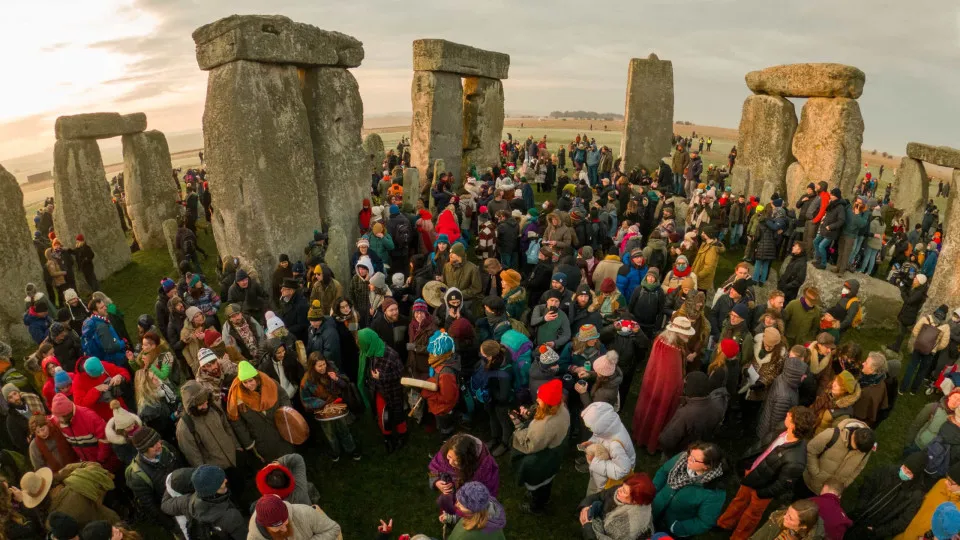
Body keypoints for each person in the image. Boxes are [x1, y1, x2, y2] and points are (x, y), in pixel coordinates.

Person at [716, 406, 817, 540]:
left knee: (751, 516)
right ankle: (724, 524)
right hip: (752, 474)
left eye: (789, 416)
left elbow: (782, 485)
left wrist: (761, 493)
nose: (786, 414)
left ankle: (738, 537)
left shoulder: (796, 460)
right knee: (739, 500)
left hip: (763, 489)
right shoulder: (782, 428)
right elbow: (763, 447)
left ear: (794, 425)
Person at [633, 317, 696, 453]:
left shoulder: (661, 340)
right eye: (686, 334)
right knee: (658, 414)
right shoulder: (671, 350)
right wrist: (680, 385)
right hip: (664, 390)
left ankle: (641, 435)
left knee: (647, 409)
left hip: (653, 382)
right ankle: (651, 441)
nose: (688, 337)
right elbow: (672, 377)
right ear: (677, 332)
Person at [511, 379, 570, 514]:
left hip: (542, 459)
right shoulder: (561, 409)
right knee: (546, 482)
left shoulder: (544, 425)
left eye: (539, 399)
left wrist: (518, 426)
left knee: (540, 484)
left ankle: (536, 507)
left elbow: (531, 445)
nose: (537, 400)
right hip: (554, 453)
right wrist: (530, 415)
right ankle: (541, 498)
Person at [848, 451, 933, 539]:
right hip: (859, 513)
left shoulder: (916, 495)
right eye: (904, 467)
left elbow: (902, 522)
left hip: (872, 531)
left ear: (916, 475)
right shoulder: (889, 470)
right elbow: (869, 483)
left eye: (909, 473)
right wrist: (861, 505)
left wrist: (877, 531)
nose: (904, 472)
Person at [652, 442, 727, 537]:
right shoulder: (683, 458)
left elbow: (704, 522)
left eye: (694, 459)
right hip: (655, 508)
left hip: (671, 529)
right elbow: (663, 471)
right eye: (690, 454)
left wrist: (677, 527)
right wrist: (653, 490)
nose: (687, 459)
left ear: (707, 466)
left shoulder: (714, 492)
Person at [226, 361, 294, 463]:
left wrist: (286, 415)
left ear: (257, 378)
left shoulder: (270, 384)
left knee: (291, 460)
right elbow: (237, 422)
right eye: (245, 382)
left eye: (250, 381)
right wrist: (249, 443)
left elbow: (283, 397)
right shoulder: (237, 397)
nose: (248, 385)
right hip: (262, 440)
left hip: (281, 431)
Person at [161, 464, 248, 540]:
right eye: (220, 481)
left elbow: (165, 505)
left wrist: (169, 483)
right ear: (211, 490)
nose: (225, 480)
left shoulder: (190, 502)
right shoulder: (231, 516)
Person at [299, 352, 359, 462]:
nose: (323, 368)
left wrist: (336, 379)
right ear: (313, 367)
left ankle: (351, 449)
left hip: (337, 406)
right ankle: (336, 452)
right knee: (330, 433)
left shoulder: (331, 369)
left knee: (344, 429)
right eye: (319, 366)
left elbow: (345, 384)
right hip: (322, 411)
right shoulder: (307, 380)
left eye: (324, 364)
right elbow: (306, 399)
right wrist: (322, 403)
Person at [20, 463, 120, 528]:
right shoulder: (76, 483)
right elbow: (94, 466)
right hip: (112, 524)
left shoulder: (51, 523)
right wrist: (67, 469)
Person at [358, 329, 407, 453]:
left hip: (393, 390)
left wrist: (382, 377)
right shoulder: (370, 351)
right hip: (379, 390)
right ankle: (388, 438)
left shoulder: (391, 354)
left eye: (361, 343)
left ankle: (402, 437)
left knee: (398, 413)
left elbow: (400, 373)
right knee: (383, 415)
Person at [428, 433, 500, 515]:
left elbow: (486, 494)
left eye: (457, 461)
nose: (450, 462)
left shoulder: (484, 468)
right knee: (450, 518)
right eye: (449, 457)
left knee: (463, 524)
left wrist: (467, 507)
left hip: (470, 508)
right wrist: (436, 482)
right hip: (450, 498)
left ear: (467, 461)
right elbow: (433, 470)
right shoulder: (446, 451)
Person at [176, 379, 240, 472]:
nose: (205, 406)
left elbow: (227, 427)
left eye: (206, 402)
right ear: (191, 405)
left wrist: (237, 447)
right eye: (201, 404)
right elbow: (194, 457)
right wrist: (208, 474)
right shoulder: (185, 427)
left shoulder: (214, 407)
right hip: (216, 471)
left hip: (235, 458)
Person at [125, 427, 182, 529]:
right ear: (143, 450)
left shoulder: (165, 447)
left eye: (158, 441)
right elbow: (150, 506)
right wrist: (171, 525)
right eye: (153, 445)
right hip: (173, 512)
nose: (159, 446)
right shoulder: (138, 476)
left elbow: (181, 464)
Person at [658, 372, 727, 455]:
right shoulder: (717, 405)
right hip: (700, 450)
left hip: (679, 453)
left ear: (690, 388)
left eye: (685, 384)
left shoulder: (685, 414)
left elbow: (667, 440)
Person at [576, 473, 655, 540]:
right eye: (623, 486)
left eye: (624, 491)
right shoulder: (622, 490)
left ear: (635, 502)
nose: (619, 489)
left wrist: (588, 527)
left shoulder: (630, 524)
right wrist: (584, 507)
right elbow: (600, 496)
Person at [580, 401, 636, 495]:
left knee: (597, 495)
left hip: (607, 481)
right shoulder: (611, 427)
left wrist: (594, 461)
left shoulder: (615, 446)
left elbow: (623, 470)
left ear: (600, 427)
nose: (590, 430)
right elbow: (602, 437)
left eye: (590, 428)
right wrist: (592, 442)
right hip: (602, 470)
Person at [895, 461, 960, 540]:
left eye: (951, 482)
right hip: (908, 530)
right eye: (947, 477)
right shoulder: (941, 483)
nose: (946, 482)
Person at [901, 303, 950, 394]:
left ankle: (902, 389)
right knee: (922, 371)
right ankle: (913, 390)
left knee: (911, 367)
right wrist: (934, 348)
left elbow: (915, 331)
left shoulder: (926, 318)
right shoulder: (946, 327)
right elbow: (944, 343)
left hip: (919, 347)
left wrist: (920, 340)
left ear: (937, 310)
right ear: (945, 315)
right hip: (930, 352)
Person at [247, 494, 341, 540]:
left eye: (285, 521)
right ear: (265, 526)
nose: (284, 529)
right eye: (277, 527)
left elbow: (333, 528)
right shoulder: (254, 538)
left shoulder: (305, 513)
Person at [756, 354, 807, 439]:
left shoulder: (785, 378)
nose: (805, 376)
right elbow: (776, 423)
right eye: (802, 374)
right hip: (769, 433)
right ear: (794, 375)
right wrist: (774, 439)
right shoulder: (784, 397)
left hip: (766, 423)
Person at [437, 481, 506, 540]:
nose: (456, 505)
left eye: (461, 505)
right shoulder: (491, 513)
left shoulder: (464, 536)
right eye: (458, 500)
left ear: (473, 510)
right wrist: (451, 518)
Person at [750, 499, 824, 540]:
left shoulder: (813, 537)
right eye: (787, 512)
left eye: (790, 518)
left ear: (803, 526)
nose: (785, 517)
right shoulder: (778, 517)